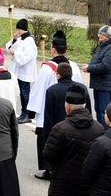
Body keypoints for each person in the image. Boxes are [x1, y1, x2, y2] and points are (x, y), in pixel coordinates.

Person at [27, 31, 83, 178]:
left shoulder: (46, 69)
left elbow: (38, 91)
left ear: (53, 49)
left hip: (50, 110)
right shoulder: (74, 67)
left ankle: (49, 168)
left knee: (49, 140)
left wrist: (32, 111)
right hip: (70, 108)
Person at [37, 62, 91, 180]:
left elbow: (48, 117)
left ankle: (49, 170)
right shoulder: (82, 88)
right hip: (80, 127)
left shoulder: (52, 90)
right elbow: (89, 110)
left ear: (58, 75)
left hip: (59, 129)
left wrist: (46, 139)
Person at [81, 24, 111, 128]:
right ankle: (100, 131)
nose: (98, 35)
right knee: (98, 110)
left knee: (103, 112)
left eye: (101, 34)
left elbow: (105, 66)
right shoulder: (102, 46)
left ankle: (105, 133)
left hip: (104, 85)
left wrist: (89, 68)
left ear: (107, 36)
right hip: (99, 84)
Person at [5, 18, 37, 123]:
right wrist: (14, 40)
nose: (16, 31)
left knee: (25, 93)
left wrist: (15, 53)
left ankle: (26, 114)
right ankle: (23, 113)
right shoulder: (19, 39)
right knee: (21, 92)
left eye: (17, 29)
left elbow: (27, 57)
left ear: (20, 29)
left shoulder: (29, 41)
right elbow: (9, 48)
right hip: (18, 71)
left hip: (25, 71)